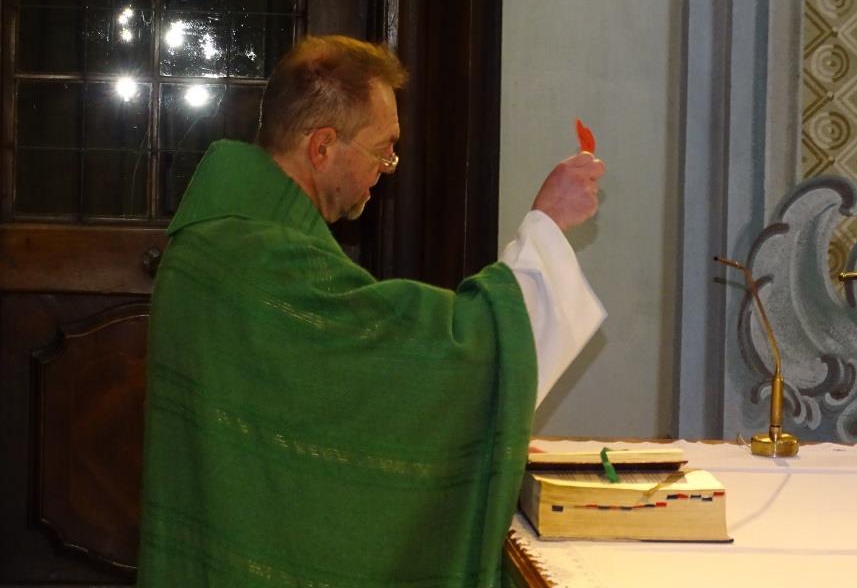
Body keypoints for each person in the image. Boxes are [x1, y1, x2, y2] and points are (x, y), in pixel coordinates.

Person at [138, 35, 606, 587]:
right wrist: (547, 228)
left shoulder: (225, 236)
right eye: (383, 150)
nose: (387, 168)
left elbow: (319, 402)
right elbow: (417, 362)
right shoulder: (257, 260)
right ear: (323, 147)